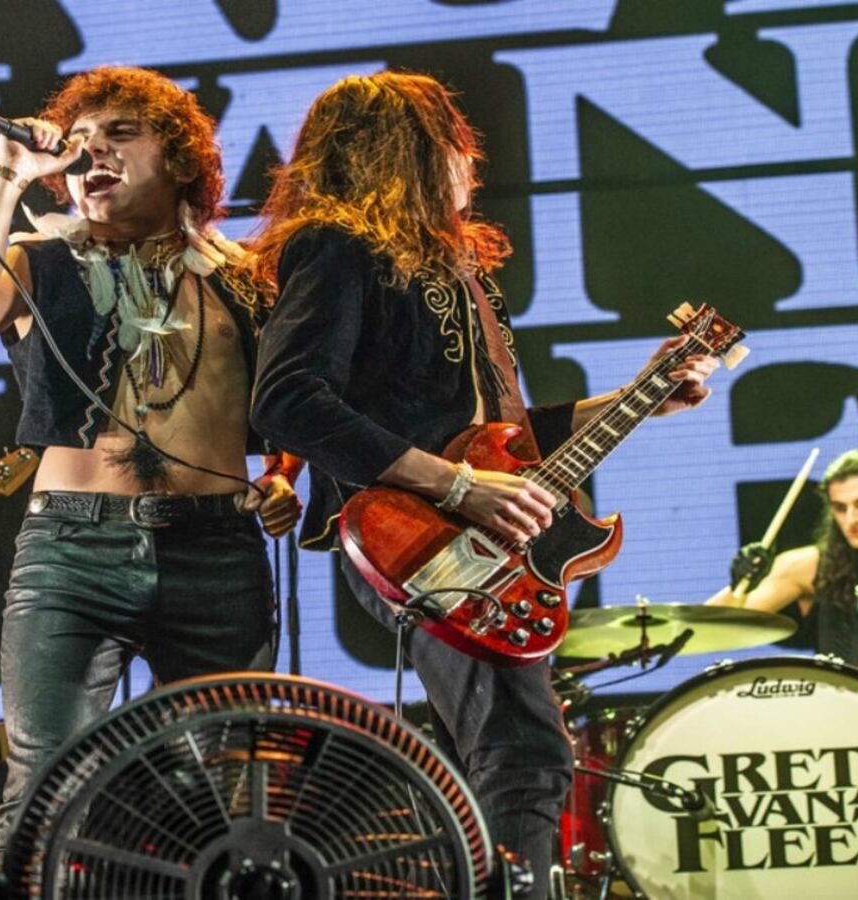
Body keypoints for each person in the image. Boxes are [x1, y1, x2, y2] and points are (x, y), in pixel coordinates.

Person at [247, 71, 718, 896]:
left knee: (516, 754)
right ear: (413, 151)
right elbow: (287, 400)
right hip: (415, 535)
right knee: (522, 749)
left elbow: (501, 440)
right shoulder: (335, 245)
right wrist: (458, 489)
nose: (473, 161)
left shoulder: (456, 270)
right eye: (455, 142)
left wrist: (639, 397)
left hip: (478, 534)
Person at [0, 66, 301, 854]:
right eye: (82, 140)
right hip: (72, 550)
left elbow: (292, 405)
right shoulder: (37, 257)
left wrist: (283, 477)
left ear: (183, 159)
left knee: (238, 792)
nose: (93, 151)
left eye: (121, 134)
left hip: (215, 549)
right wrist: (9, 176)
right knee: (45, 784)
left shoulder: (242, 276)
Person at [707, 447, 858, 664]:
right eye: (840, 508)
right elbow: (709, 631)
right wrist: (740, 583)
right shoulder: (809, 566)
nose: (851, 519)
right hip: (840, 700)